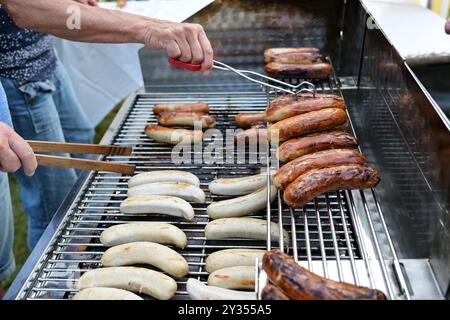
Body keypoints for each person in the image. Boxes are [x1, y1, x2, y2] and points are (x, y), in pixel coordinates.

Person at [0, 0, 213, 294]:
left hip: (42, 56)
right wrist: (149, 29)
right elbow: (23, 7)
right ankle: (54, 286)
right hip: (15, 75)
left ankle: (73, 265)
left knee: (81, 137)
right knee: (56, 205)